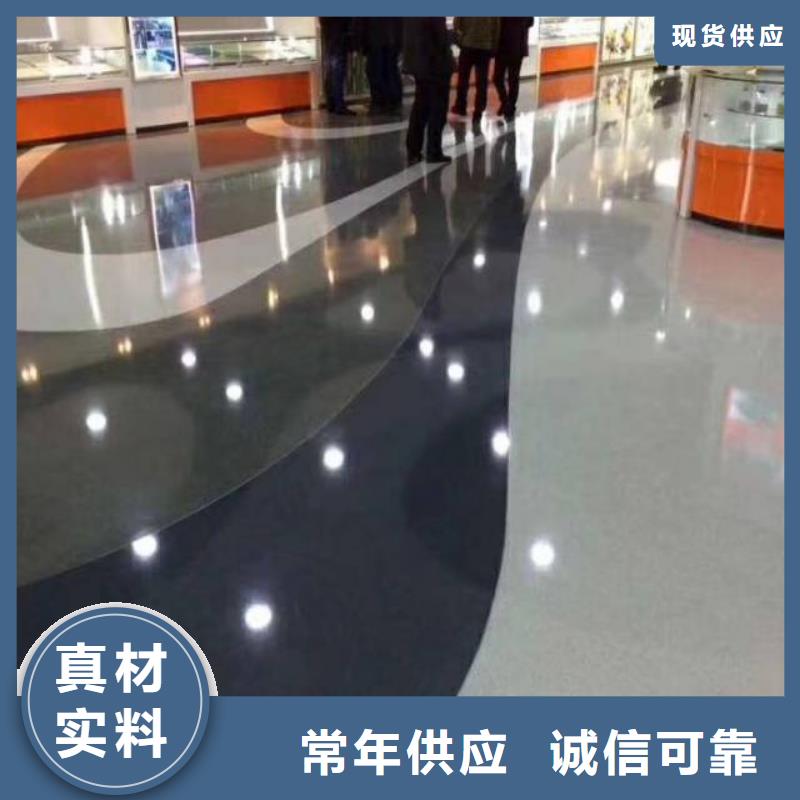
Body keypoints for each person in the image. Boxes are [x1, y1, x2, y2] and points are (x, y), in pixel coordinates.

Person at [403, 17, 454, 164]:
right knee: (438, 110)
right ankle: (434, 150)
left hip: (419, 63)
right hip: (435, 64)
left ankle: (413, 149)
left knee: (420, 107)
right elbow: (440, 38)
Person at [451, 17, 501, 124]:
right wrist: (493, 47)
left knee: (463, 79)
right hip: (485, 47)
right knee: (482, 81)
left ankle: (461, 106)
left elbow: (457, 24)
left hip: (467, 45)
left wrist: (460, 41)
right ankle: (478, 111)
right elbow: (497, 29)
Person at [358, 18, 403, 112]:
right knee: (390, 70)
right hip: (391, 37)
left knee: (376, 71)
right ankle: (393, 101)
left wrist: (360, 41)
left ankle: (380, 102)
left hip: (375, 37)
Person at [493, 17, 534, 120]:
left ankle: (509, 105)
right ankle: (507, 104)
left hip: (508, 45)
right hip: (512, 45)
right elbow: (530, 22)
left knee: (507, 78)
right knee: (507, 78)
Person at [319, 17, 355, 115]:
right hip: (339, 39)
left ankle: (331, 103)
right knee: (338, 73)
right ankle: (339, 105)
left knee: (331, 72)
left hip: (330, 38)